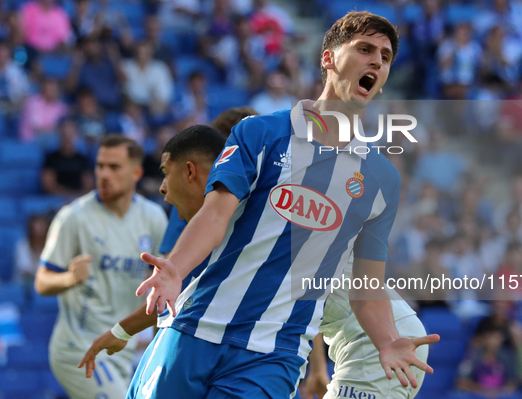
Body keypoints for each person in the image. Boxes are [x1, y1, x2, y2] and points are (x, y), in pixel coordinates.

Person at [128, 11, 438, 399]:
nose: (377, 60)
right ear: (328, 59)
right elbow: (215, 214)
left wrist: (387, 340)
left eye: (386, 56)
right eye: (364, 49)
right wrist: (175, 268)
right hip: (196, 326)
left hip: (274, 356)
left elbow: (366, 284)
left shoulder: (381, 179)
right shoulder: (260, 132)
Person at [78, 125, 228, 378]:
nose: (162, 188)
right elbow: (168, 293)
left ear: (190, 171)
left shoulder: (185, 218)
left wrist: (123, 332)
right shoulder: (186, 217)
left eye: (166, 174)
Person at [34, 135, 168, 399]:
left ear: (137, 173)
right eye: (100, 166)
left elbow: (163, 285)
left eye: (114, 167)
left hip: (121, 347)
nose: (104, 174)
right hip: (78, 347)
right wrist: (70, 279)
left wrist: (156, 348)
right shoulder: (73, 217)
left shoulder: (153, 217)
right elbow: (41, 282)